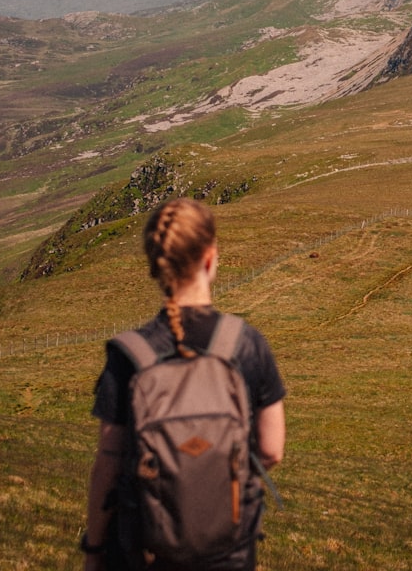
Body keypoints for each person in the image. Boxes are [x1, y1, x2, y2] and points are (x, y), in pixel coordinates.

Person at [83, 197, 286, 570]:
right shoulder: (246, 343)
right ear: (210, 259)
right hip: (230, 553)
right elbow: (272, 450)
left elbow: (108, 465)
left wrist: (94, 549)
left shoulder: (129, 355)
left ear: (156, 265)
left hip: (143, 553)